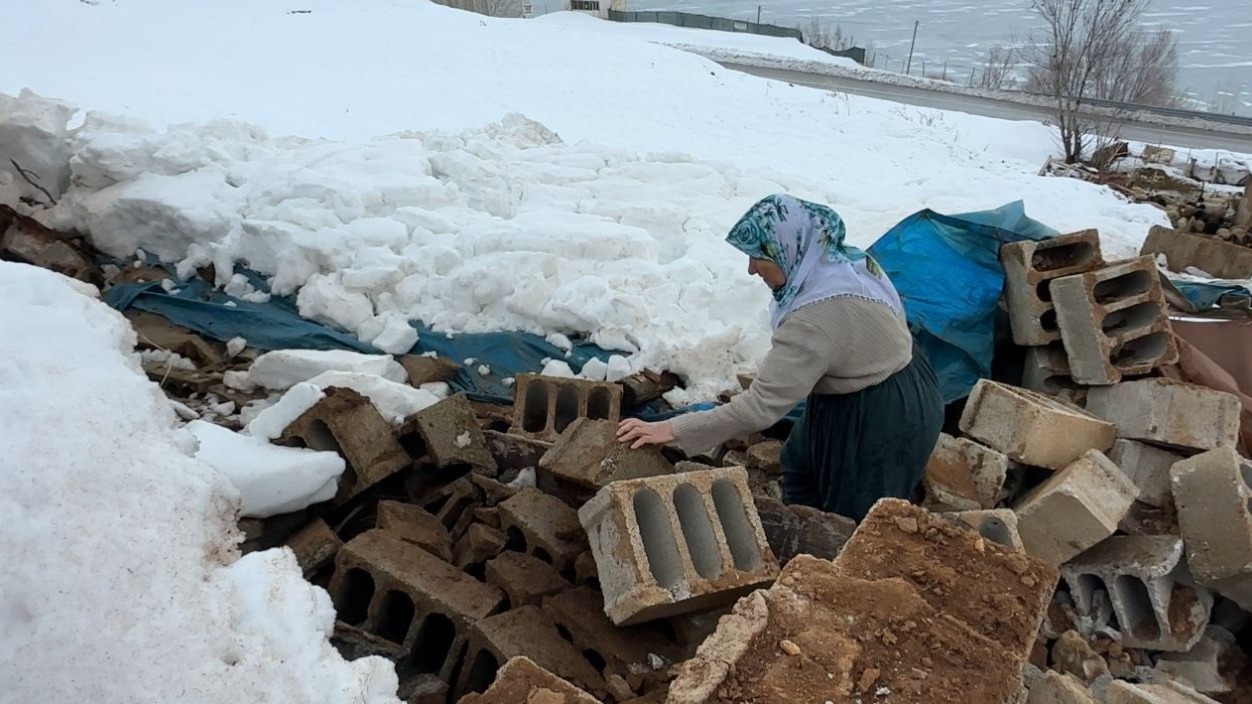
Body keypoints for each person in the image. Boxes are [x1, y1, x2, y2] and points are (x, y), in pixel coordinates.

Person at [616, 194, 943, 521]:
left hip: (881, 412)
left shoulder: (812, 318)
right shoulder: (839, 262)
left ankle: (832, 563)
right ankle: (806, 535)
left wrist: (672, 430)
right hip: (891, 375)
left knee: (855, 518)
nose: (750, 269)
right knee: (800, 462)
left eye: (760, 258)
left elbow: (760, 407)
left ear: (788, 251)